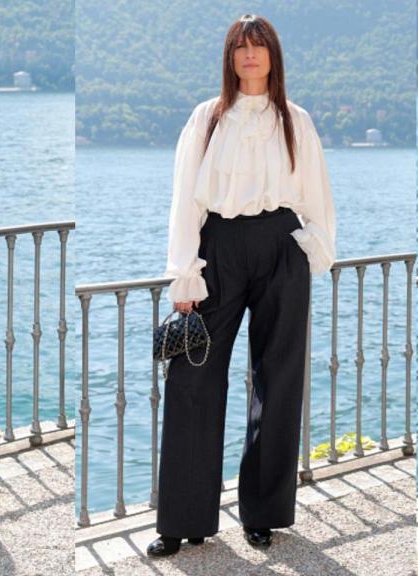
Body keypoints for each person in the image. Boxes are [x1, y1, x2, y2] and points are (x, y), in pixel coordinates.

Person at [148, 13, 336, 557]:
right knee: (193, 378)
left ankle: (264, 514)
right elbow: (185, 199)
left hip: (281, 246)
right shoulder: (207, 118)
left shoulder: (295, 120)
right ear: (229, 58)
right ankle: (182, 521)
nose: (250, 54)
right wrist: (185, 273)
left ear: (273, 56)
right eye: (240, 47)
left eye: (259, 46)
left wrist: (310, 247)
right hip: (219, 247)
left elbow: (317, 194)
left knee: (278, 381)